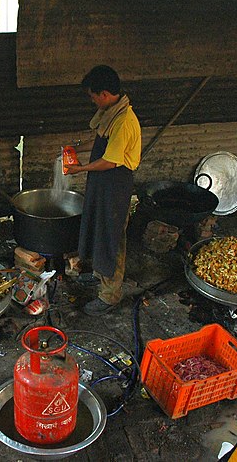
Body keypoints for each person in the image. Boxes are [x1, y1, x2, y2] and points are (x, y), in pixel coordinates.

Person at [65, 65, 142, 315]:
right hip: (102, 183)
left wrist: (81, 168)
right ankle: (99, 275)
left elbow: (110, 160)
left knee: (112, 238)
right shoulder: (110, 113)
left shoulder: (123, 122)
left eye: (93, 95)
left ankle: (110, 295)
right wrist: (76, 145)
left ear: (105, 94)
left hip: (115, 184)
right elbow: (100, 139)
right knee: (99, 229)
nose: (92, 100)